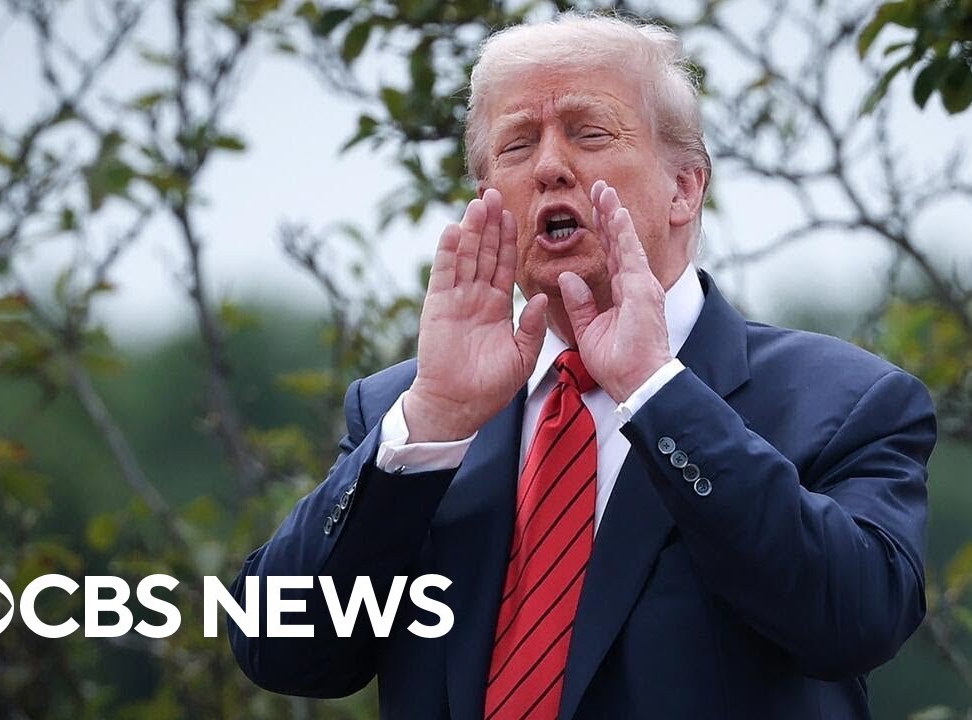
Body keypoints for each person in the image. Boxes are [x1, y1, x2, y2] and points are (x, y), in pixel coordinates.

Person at [227, 12, 936, 720]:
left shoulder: (844, 402)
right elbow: (279, 647)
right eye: (517, 145)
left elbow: (857, 619)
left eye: (590, 133)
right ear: (487, 200)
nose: (549, 167)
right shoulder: (410, 416)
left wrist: (658, 393)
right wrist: (433, 419)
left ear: (684, 189)